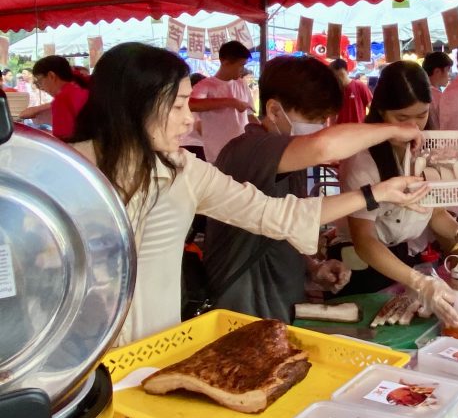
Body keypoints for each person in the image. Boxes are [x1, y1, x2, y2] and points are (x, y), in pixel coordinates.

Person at [68, 43, 427, 346]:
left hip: (156, 349)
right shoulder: (67, 171)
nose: (188, 121)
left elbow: (277, 215)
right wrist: (392, 130)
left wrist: (374, 194)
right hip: (84, 359)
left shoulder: (184, 170)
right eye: (177, 106)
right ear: (134, 105)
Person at [206, 55, 427, 323]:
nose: (322, 128)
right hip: (242, 308)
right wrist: (393, 129)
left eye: (326, 120)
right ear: (275, 110)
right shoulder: (249, 149)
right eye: (315, 119)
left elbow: (287, 221)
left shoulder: (290, 155)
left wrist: (313, 266)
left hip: (281, 301)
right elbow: (324, 146)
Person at [336, 61, 458, 327]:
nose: (413, 126)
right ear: (380, 110)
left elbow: (434, 214)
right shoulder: (362, 160)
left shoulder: (427, 149)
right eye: (402, 118)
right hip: (361, 267)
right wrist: (419, 282)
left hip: (401, 259)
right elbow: (364, 240)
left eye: (421, 115)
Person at [189, 40, 254, 161]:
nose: (242, 69)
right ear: (225, 62)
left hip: (242, 150)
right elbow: (192, 104)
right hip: (216, 154)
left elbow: (250, 115)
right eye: (240, 65)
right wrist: (231, 102)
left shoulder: (242, 84)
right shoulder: (205, 85)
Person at [19, 55, 89, 140]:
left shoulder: (62, 99)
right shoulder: (78, 89)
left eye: (40, 81)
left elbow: (63, 138)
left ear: (51, 76)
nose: (41, 87)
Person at [331, 58, 373, 124]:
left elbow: (372, 107)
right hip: (340, 129)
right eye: (336, 76)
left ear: (347, 71)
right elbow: (332, 114)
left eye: (341, 75)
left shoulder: (360, 86)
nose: (339, 78)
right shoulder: (334, 90)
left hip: (358, 130)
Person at [422, 51, 452, 129]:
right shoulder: (438, 96)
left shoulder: (419, 90)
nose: (449, 75)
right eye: (447, 71)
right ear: (437, 71)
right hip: (438, 138)